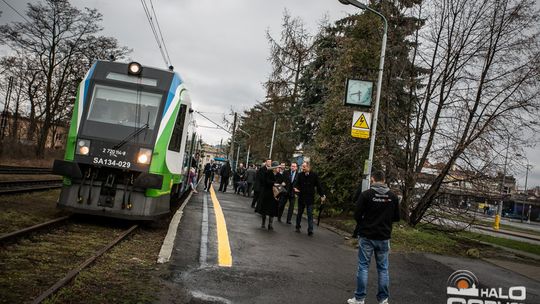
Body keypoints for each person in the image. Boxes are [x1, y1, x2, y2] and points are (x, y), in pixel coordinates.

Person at [347, 171, 400, 304]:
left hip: (367, 236)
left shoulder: (366, 195)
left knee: (363, 267)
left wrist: (364, 223)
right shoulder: (393, 197)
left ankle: (359, 298)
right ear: (383, 180)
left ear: (373, 179)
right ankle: (383, 299)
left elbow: (357, 215)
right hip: (384, 237)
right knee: (383, 269)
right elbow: (397, 217)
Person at [293, 162, 325, 236]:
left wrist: (322, 195)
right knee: (299, 213)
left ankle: (310, 230)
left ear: (308, 167)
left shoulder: (314, 175)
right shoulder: (300, 175)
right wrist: (295, 189)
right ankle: (297, 226)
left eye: (304, 167)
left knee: (310, 214)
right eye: (302, 167)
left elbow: (319, 186)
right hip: (301, 197)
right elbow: (296, 184)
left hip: (310, 198)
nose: (302, 168)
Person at [257, 161, 280, 230]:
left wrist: (282, 184)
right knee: (264, 210)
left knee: (272, 211)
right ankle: (263, 223)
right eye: (276, 167)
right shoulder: (267, 173)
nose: (277, 169)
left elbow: (281, 182)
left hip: (275, 195)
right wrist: (273, 183)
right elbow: (266, 181)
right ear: (273, 168)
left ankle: (270, 224)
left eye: (278, 167)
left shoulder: (279, 175)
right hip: (267, 193)